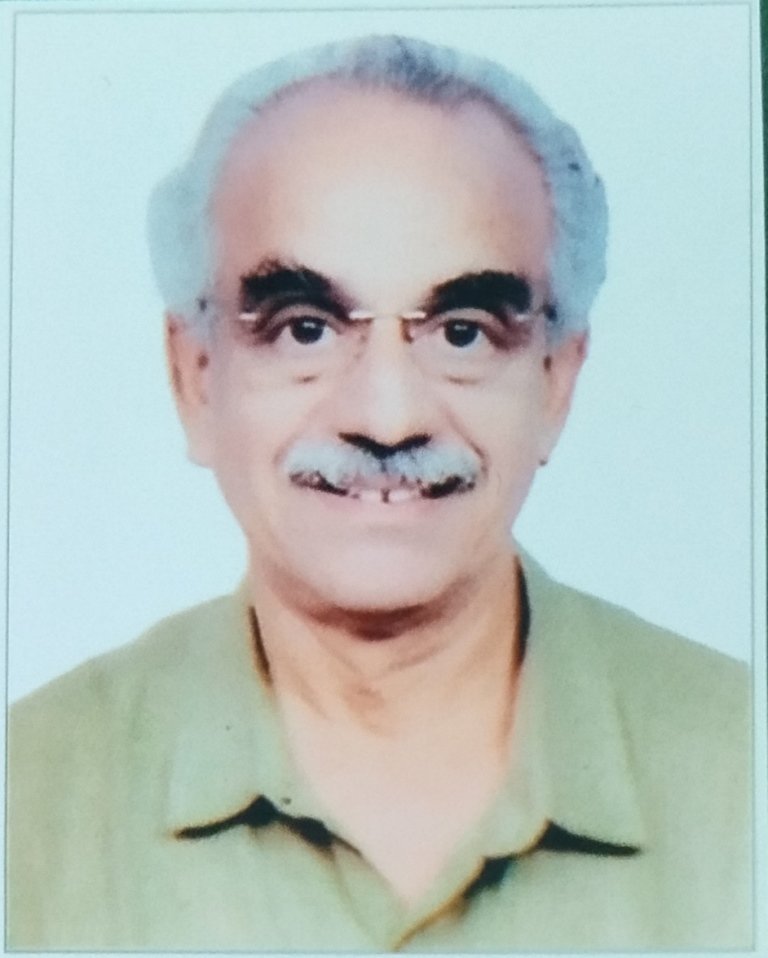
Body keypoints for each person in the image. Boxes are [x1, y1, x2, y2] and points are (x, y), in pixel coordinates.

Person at [7, 34, 751, 951]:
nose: (387, 417)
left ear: (556, 383)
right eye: (306, 328)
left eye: (463, 332)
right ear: (195, 379)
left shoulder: (744, 774)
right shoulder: (25, 798)